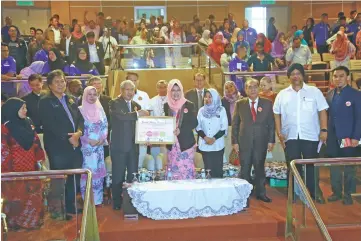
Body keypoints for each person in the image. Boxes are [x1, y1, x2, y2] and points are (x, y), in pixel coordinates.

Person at [273, 63, 328, 203]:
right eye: (292, 74)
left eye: (298, 73)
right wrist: (279, 132)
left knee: (311, 166)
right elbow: (276, 114)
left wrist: (324, 129)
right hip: (290, 136)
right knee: (293, 166)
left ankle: (315, 192)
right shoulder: (282, 94)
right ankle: (294, 193)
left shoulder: (314, 92)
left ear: (303, 75)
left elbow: (322, 111)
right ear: (289, 77)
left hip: (310, 135)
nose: (295, 76)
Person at [38, 70, 84, 215]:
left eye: (62, 81)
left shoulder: (70, 99)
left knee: (74, 177)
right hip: (58, 146)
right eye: (57, 81)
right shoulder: (45, 101)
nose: (61, 84)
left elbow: (80, 119)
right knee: (59, 179)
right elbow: (49, 124)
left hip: (75, 144)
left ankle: (70, 206)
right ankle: (58, 210)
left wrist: (79, 133)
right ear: (50, 85)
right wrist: (68, 137)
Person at [1, 98, 45, 229]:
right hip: (14, 169)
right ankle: (15, 223)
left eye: (25, 108)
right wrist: (7, 171)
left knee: (33, 194)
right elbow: (3, 150)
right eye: (23, 108)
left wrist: (39, 159)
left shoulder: (29, 122)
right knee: (16, 196)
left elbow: (36, 140)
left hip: (31, 165)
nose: (26, 111)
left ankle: (32, 222)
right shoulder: (4, 128)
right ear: (14, 110)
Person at [232, 78, 275, 203]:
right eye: (249, 87)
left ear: (259, 88)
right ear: (245, 90)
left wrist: (271, 140)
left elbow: (271, 123)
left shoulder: (267, 103)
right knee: (245, 168)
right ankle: (244, 194)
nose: (252, 89)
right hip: (244, 141)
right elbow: (235, 124)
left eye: (255, 86)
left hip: (261, 141)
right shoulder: (240, 104)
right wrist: (234, 141)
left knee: (259, 167)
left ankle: (261, 192)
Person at [109, 80, 149, 210]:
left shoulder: (136, 104)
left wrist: (147, 136)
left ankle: (132, 202)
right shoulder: (114, 103)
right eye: (127, 89)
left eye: (132, 90)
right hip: (119, 147)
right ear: (121, 90)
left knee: (133, 175)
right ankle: (116, 202)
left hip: (133, 147)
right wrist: (138, 114)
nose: (130, 92)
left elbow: (142, 125)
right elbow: (122, 117)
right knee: (118, 176)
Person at [326, 66, 361, 205]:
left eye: (341, 76)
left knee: (349, 166)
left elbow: (359, 118)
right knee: (333, 165)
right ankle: (336, 192)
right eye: (335, 76)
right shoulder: (329, 94)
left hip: (348, 137)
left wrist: (356, 137)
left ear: (347, 77)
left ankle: (348, 194)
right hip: (333, 137)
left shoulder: (355, 94)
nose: (338, 79)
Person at [79, 86, 108, 206]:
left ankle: (98, 199)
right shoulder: (80, 110)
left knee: (98, 173)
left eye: (94, 94)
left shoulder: (100, 109)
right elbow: (78, 128)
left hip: (99, 147)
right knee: (88, 172)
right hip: (87, 148)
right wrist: (87, 140)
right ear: (85, 95)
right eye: (89, 94)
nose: (92, 97)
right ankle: (87, 200)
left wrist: (102, 138)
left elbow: (105, 125)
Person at [164, 79, 197, 180]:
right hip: (172, 145)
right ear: (169, 91)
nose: (176, 93)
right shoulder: (166, 105)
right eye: (173, 90)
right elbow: (164, 123)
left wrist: (180, 130)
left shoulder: (189, 105)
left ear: (181, 91)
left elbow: (194, 123)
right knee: (173, 170)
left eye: (178, 90)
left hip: (186, 144)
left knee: (185, 171)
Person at [196, 89, 228, 178]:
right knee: (208, 171)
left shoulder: (221, 110)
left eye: (210, 97)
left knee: (218, 171)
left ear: (215, 97)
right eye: (205, 97)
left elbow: (224, 127)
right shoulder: (201, 111)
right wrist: (205, 138)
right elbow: (198, 127)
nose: (207, 99)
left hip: (218, 145)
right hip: (205, 145)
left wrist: (213, 139)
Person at [148, 80, 169, 170]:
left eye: (165, 87)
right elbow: (150, 118)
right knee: (156, 155)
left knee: (168, 155)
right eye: (160, 87)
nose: (163, 89)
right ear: (157, 89)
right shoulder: (151, 101)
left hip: (168, 131)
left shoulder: (172, 99)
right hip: (155, 131)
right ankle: (157, 173)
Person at [221, 81, 242, 163]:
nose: (229, 89)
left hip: (241, 128)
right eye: (227, 88)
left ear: (235, 87)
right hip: (228, 128)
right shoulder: (222, 101)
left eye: (231, 86)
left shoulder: (242, 99)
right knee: (229, 149)